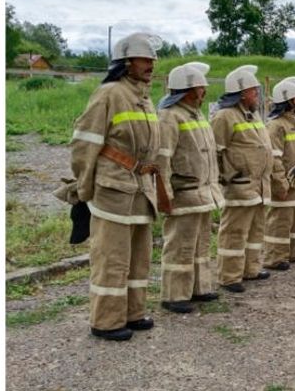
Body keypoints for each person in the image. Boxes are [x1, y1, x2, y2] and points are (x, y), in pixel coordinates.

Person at [70, 32, 163, 341]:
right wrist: (85, 190)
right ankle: (106, 320)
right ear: (126, 61)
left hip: (140, 190)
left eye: (152, 59)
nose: (151, 64)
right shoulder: (109, 94)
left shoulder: (145, 97)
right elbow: (85, 144)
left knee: (139, 258)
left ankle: (133, 313)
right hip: (112, 189)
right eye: (144, 59)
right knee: (112, 258)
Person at [155, 61, 221, 314]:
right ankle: (174, 294)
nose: (204, 90)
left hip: (202, 193)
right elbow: (163, 158)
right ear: (188, 89)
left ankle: (199, 287)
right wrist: (165, 194)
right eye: (200, 86)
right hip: (183, 193)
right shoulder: (170, 117)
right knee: (180, 246)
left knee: (200, 243)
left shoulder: (195, 114)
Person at [210, 64, 273, 292]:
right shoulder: (225, 116)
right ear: (240, 92)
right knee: (234, 233)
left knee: (256, 230)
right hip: (239, 186)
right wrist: (227, 177)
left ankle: (250, 269)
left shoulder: (252, 114)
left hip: (258, 187)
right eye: (253, 90)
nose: (257, 93)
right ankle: (229, 276)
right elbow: (214, 152)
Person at [263, 77, 295, 269]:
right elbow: (274, 158)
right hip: (286, 182)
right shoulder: (276, 125)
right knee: (280, 222)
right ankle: (275, 258)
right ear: (286, 101)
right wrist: (280, 183)